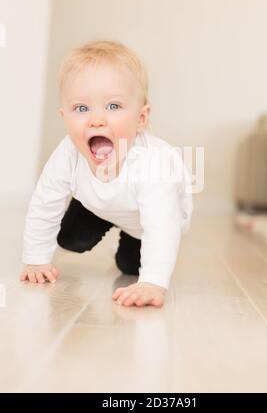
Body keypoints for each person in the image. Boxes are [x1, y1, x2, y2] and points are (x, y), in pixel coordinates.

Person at [20, 40, 193, 307]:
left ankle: (126, 239)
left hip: (145, 220)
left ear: (141, 118)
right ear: (64, 116)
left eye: (113, 106)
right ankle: (100, 214)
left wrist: (153, 282)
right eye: (81, 108)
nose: (96, 119)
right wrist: (35, 259)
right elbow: (45, 202)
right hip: (99, 202)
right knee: (68, 238)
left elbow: (161, 227)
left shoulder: (153, 165)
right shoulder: (67, 153)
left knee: (129, 266)